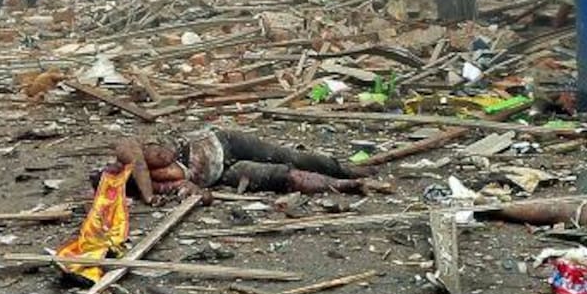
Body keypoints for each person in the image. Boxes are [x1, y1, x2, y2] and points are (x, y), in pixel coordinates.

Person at [110, 128, 387, 204]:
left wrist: (147, 195)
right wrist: (189, 192)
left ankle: (347, 169)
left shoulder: (130, 151)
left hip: (225, 144)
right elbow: (202, 195)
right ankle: (345, 185)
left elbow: (143, 161)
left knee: (288, 155)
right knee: (283, 177)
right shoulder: (157, 186)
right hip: (224, 175)